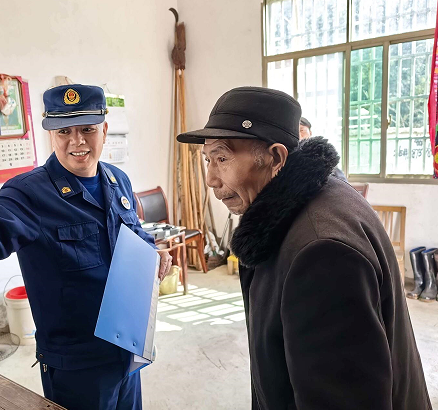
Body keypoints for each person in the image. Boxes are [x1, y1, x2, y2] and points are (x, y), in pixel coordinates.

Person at [0, 84, 172, 410]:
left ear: (104, 131)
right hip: (77, 364)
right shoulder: (31, 193)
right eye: (64, 131)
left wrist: (152, 252)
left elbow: (132, 231)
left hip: (128, 346)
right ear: (51, 135)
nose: (77, 141)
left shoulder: (117, 180)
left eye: (87, 129)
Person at [177, 86, 431, 409]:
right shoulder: (322, 195)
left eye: (222, 158)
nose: (211, 178)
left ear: (276, 158)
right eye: (208, 160)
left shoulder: (321, 256)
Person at [299, 116, 347, 181]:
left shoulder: (321, 151)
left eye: (301, 130)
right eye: (296, 132)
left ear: (310, 132)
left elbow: (341, 181)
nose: (299, 135)